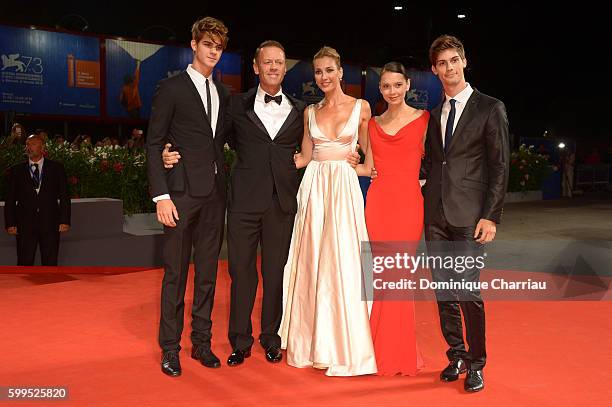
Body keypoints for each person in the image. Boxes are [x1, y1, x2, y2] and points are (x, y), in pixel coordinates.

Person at [162, 41, 359, 368]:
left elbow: (318, 147)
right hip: (242, 204)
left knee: (276, 273)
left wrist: (358, 158)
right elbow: (208, 138)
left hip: (282, 203)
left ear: (285, 67)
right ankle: (240, 341)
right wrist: (168, 152)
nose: (273, 68)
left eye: (279, 63)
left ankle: (272, 337)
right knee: (241, 274)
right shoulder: (235, 105)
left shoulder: (301, 111)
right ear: (256, 67)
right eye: (267, 63)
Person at [279, 46, 376, 376]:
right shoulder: (309, 112)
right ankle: (312, 343)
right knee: (313, 262)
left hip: (345, 192)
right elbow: (304, 157)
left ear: (340, 72)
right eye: (318, 72)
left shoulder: (361, 108)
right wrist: (273, 163)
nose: (323, 77)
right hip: (315, 191)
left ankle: (344, 344)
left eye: (329, 70)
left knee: (343, 262)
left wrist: (355, 165)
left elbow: (371, 164)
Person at [422, 35, 509, 392]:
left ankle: (476, 362)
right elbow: (432, 161)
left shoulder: (490, 107)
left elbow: (500, 166)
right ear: (434, 70)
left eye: (454, 60)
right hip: (436, 216)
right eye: (441, 63)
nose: (449, 68)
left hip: (471, 217)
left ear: (464, 62)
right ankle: (455, 354)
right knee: (444, 290)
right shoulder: (433, 113)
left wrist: (491, 215)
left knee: (468, 292)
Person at [146, 16, 231, 377]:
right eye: (208, 44)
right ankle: (170, 348)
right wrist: (161, 195)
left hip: (214, 195)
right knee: (176, 274)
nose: (213, 51)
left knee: (209, 274)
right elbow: (154, 143)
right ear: (194, 44)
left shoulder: (223, 93)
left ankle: (201, 343)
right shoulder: (172, 88)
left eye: (219, 47)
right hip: (179, 195)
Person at [356, 62, 429, 376]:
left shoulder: (424, 120)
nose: (392, 91)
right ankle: (377, 348)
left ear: (408, 85)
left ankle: (398, 351)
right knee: (383, 277)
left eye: (397, 85)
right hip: (379, 204)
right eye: (386, 86)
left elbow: (438, 161)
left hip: (408, 204)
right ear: (380, 89)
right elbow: (367, 167)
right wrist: (337, 161)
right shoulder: (372, 124)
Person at [4, 134, 71, 265]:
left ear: (42, 147)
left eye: (33, 144)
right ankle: (25, 286)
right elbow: (10, 199)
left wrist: (65, 220)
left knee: (50, 261)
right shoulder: (16, 170)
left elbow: (64, 196)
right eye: (27, 144)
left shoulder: (56, 168)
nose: (29, 147)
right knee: (24, 261)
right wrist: (10, 223)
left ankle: (49, 285)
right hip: (25, 224)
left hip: (50, 222)